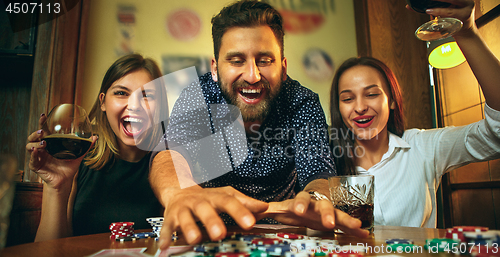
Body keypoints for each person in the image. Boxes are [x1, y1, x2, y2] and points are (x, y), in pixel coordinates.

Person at [150, 0, 369, 250]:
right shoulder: (198, 96)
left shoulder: (302, 101)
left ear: (283, 68)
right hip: (210, 237)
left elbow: (318, 172)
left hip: (284, 238)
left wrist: (315, 200)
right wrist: (180, 193)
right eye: (236, 60)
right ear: (215, 68)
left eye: (264, 60)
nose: (252, 76)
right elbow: (170, 154)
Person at [329, 0, 500, 228]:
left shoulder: (421, 147)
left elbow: (495, 134)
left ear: (391, 101)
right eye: (348, 99)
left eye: (371, 94)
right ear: (339, 108)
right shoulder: (326, 162)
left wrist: (468, 32)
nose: (359, 107)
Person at [27, 54, 167, 241]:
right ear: (103, 102)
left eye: (146, 96)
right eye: (121, 93)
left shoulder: (171, 165)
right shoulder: (76, 159)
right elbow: (48, 252)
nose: (134, 105)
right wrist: (57, 187)